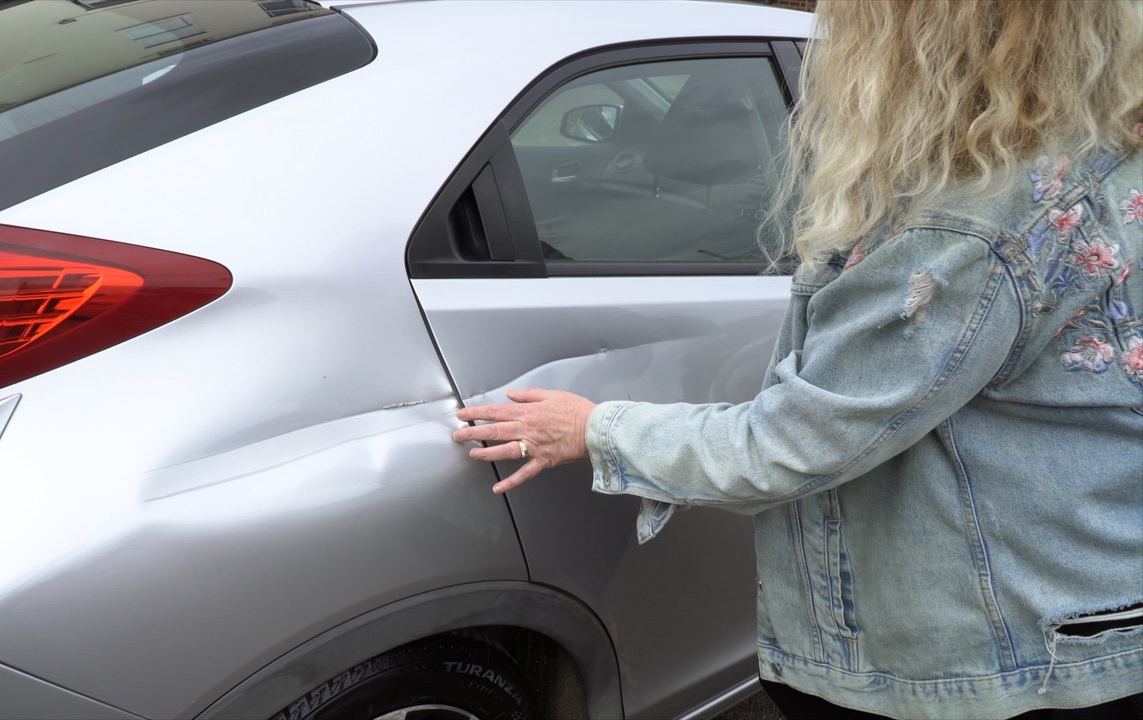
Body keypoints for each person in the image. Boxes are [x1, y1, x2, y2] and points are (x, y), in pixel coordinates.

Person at [451, 0, 1143, 718]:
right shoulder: (1108, 159)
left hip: (1003, 666)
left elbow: (790, 442)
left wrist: (593, 428)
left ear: (913, 48)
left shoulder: (964, 229)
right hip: (1090, 610)